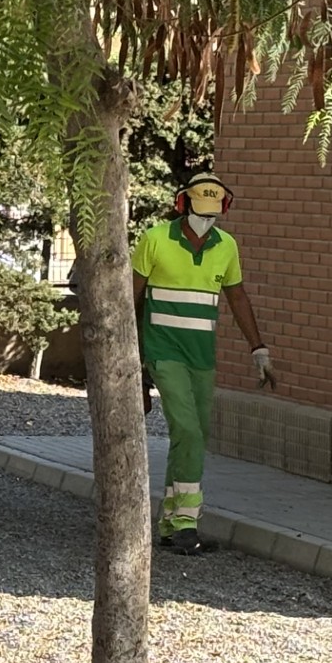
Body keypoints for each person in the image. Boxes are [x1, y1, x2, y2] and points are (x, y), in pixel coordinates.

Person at [132, 172, 271, 556]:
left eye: (214, 213)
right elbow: (132, 301)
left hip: (201, 357)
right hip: (163, 351)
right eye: (200, 211)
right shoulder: (155, 239)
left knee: (191, 438)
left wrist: (258, 348)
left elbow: (238, 298)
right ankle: (187, 524)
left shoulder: (226, 247)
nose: (206, 219)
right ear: (183, 204)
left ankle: (168, 523)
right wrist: (137, 370)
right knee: (189, 433)